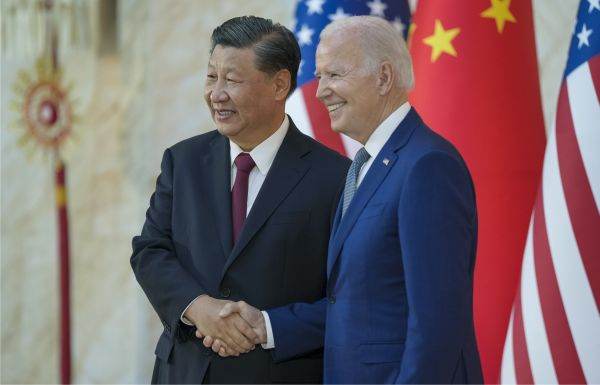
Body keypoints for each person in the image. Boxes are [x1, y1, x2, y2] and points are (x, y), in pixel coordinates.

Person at [210, 16, 484, 383]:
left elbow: (437, 323)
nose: (320, 91)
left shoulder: (426, 165)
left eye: (334, 75)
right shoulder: (362, 167)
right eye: (320, 76)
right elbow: (355, 302)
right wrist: (267, 325)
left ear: (383, 78)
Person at [130, 15, 349, 384]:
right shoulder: (182, 161)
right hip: (185, 373)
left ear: (279, 84)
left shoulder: (335, 177)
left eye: (232, 80)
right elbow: (150, 251)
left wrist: (267, 327)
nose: (216, 93)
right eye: (211, 76)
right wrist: (198, 308)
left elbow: (348, 296)